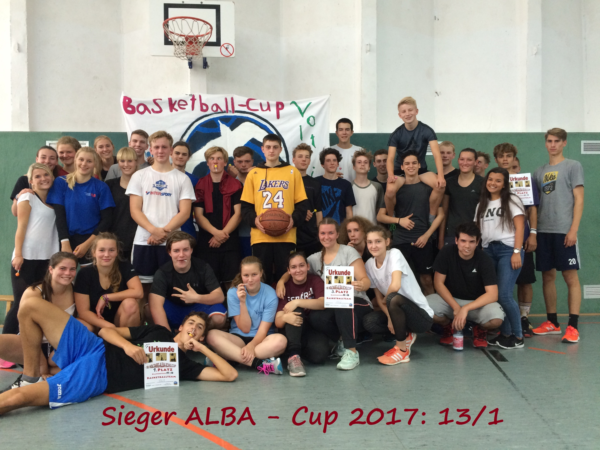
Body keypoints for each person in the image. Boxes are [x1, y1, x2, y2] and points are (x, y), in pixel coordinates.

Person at [0, 301, 237, 414]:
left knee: (16, 399)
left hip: (96, 375)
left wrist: (202, 348)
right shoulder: (158, 331)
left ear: (201, 336)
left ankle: (36, 382)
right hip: (93, 347)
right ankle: (30, 376)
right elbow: (106, 332)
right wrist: (128, 346)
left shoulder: (185, 366)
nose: (193, 328)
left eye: (199, 328)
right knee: (29, 306)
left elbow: (230, 375)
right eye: (191, 323)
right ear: (181, 327)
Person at [278, 218, 372, 370]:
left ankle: (352, 352)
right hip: (334, 304)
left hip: (358, 302)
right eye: (323, 233)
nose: (326, 237)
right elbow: (296, 268)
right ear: (318, 235)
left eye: (330, 233)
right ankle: (341, 341)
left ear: (337, 234)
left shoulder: (348, 252)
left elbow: (365, 280)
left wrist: (362, 284)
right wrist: (281, 281)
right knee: (316, 317)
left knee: (342, 302)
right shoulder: (314, 259)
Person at [532, 128, 584, 343]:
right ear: (546, 143)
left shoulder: (573, 166)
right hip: (543, 231)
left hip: (564, 231)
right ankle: (552, 322)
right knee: (547, 276)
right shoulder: (539, 172)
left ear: (564, 143)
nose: (552, 145)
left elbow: (579, 200)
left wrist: (573, 229)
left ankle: (573, 326)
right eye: (549, 141)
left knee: (570, 277)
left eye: (557, 141)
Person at [0, 253, 89, 377]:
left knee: (87, 329)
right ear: (51, 269)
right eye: (62, 268)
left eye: (72, 269)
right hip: (32, 345)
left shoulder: (76, 290)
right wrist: (41, 365)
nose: (67, 273)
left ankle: (53, 370)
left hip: (60, 346)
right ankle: (44, 369)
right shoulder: (34, 292)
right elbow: (25, 329)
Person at [126, 130, 196, 285]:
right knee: (143, 286)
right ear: (150, 149)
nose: (160, 151)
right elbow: (135, 210)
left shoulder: (183, 179)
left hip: (172, 243)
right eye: (156, 147)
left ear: (171, 150)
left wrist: (162, 233)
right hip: (144, 240)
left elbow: (185, 213)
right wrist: (153, 230)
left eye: (164, 147)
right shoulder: (139, 176)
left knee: (172, 286)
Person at [240, 134, 308, 285]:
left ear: (280, 149)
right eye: (268, 147)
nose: (271, 150)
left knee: (286, 278)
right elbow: (245, 207)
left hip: (286, 235)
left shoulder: (292, 172)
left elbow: (302, 205)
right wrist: (254, 220)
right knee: (261, 278)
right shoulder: (253, 174)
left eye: (275, 147)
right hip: (260, 236)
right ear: (262, 149)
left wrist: (293, 220)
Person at [363, 226, 434, 365]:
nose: (373, 246)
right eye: (370, 242)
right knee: (369, 322)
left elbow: (395, 286)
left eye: (378, 241)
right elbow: (379, 298)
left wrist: (389, 306)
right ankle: (406, 335)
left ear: (387, 242)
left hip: (421, 318)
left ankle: (402, 350)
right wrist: (390, 317)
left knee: (393, 298)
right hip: (396, 311)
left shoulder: (395, 254)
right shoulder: (369, 264)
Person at [427, 223, 504, 348]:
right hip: (451, 302)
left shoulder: (484, 259)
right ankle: (448, 326)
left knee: (496, 319)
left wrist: (465, 309)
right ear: (456, 240)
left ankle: (479, 329)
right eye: (463, 241)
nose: (467, 246)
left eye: (471, 241)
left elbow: (493, 294)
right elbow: (438, 283)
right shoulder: (446, 252)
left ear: (477, 242)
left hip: (476, 304)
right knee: (425, 308)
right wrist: (456, 307)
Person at [378, 151, 445, 296]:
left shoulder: (428, 188)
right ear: (402, 167)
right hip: (400, 240)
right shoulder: (396, 189)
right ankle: (403, 309)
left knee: (427, 280)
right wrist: (399, 220)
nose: (411, 166)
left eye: (414, 163)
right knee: (399, 281)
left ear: (419, 165)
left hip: (423, 240)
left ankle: (430, 309)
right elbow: (380, 217)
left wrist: (427, 235)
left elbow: (441, 215)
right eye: (407, 163)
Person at [207, 257, 287, 375]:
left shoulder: (270, 293)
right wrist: (242, 302)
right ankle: (260, 364)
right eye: (246, 275)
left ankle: (231, 358)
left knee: (281, 341)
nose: (250, 280)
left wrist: (251, 346)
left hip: (262, 341)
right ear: (241, 275)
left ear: (261, 273)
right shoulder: (233, 292)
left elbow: (263, 331)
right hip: (238, 338)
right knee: (211, 335)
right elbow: (245, 328)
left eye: (254, 274)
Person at [5, 164, 60, 338]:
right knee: (21, 302)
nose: (43, 178)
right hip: (26, 257)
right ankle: (5, 343)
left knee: (40, 302)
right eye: (37, 176)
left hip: (47, 259)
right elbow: (21, 228)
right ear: (30, 181)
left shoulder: (55, 200)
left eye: (46, 175)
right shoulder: (27, 197)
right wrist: (18, 254)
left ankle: (28, 341)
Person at [475, 168, 526, 349]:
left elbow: (520, 228)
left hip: (508, 250)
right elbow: (479, 230)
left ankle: (518, 336)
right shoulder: (482, 204)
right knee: (495, 296)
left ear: (504, 184)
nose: (493, 183)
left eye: (498, 180)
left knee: (504, 295)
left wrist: (516, 251)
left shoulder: (512, 200)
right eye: (490, 179)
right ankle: (505, 334)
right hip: (489, 251)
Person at [47, 147, 115, 265]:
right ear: (75, 160)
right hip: (65, 238)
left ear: (95, 164)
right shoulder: (61, 182)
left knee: (89, 275)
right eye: (81, 159)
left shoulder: (101, 187)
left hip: (91, 240)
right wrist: (65, 242)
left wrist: (87, 244)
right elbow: (59, 215)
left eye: (89, 161)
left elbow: (107, 219)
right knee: (65, 274)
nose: (84, 164)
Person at [149, 231, 227, 331]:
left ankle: (200, 335)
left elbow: (219, 296)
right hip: (174, 309)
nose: (181, 255)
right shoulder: (162, 272)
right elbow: (156, 305)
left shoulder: (203, 267)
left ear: (191, 250)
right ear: (169, 252)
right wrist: (167, 337)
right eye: (176, 251)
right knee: (149, 309)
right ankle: (170, 334)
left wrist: (196, 298)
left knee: (219, 318)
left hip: (197, 309)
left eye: (185, 250)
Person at [384, 96, 445, 216]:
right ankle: (392, 219)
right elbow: (390, 158)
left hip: (420, 171)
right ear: (400, 115)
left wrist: (441, 176)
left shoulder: (427, 130)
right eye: (404, 111)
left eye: (410, 110)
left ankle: (431, 217)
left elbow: (437, 155)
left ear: (416, 111)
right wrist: (390, 175)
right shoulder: (396, 134)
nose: (407, 114)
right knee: (390, 191)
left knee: (440, 186)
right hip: (400, 172)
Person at [194, 146, 243, 290]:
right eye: (212, 158)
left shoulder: (236, 184)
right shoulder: (200, 184)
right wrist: (216, 234)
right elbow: (198, 215)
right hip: (207, 241)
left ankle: (233, 306)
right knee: (209, 284)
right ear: (207, 163)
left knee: (232, 283)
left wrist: (222, 235)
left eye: (219, 158)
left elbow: (238, 214)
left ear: (225, 162)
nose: (215, 162)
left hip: (230, 240)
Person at [74, 233, 143, 331]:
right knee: (82, 325)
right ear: (94, 252)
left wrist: (106, 297)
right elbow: (83, 312)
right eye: (102, 250)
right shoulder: (85, 273)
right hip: (96, 322)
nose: (106, 255)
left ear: (117, 252)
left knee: (130, 304)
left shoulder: (124, 266)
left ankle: (126, 339)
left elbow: (138, 292)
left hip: (120, 321)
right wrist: (109, 327)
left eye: (111, 250)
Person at [274, 252, 328, 377]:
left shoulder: (315, 280)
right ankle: (293, 356)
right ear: (288, 271)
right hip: (291, 328)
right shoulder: (284, 287)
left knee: (319, 356)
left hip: (310, 328)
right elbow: (278, 321)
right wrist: (285, 317)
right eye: (293, 267)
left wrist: (297, 301)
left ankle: (295, 351)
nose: (298, 270)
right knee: (296, 311)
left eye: (301, 265)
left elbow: (323, 303)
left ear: (308, 266)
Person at [511, 156, 538, 336]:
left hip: (523, 239)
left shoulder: (525, 183)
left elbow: (532, 209)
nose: (512, 170)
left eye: (515, 166)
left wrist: (533, 233)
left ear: (519, 168)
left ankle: (523, 318)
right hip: (502, 241)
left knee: (525, 281)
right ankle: (505, 319)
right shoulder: (496, 182)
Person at [438, 148, 484, 248]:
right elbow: (444, 212)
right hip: (452, 234)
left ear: (476, 162)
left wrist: (480, 238)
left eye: (469, 160)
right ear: (458, 160)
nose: (465, 163)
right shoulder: (449, 182)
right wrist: (441, 239)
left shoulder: (482, 183)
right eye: (462, 159)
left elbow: (483, 213)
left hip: (473, 235)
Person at [105, 147, 139, 261]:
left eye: (130, 161)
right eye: (122, 161)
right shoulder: (109, 185)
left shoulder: (145, 185)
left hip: (138, 239)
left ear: (136, 162)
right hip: (115, 239)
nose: (126, 164)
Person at [10, 146, 63, 217]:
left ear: (56, 161)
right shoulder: (24, 180)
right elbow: (15, 213)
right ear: (37, 159)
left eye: (52, 158)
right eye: (43, 157)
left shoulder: (60, 181)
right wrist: (18, 197)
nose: (47, 161)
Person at [292, 144, 323, 257]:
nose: (304, 159)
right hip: (291, 234)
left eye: (307, 157)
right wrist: (300, 213)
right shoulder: (286, 182)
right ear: (293, 160)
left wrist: (320, 232)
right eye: (300, 156)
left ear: (310, 161)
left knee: (313, 266)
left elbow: (318, 210)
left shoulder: (315, 183)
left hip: (311, 236)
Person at [316, 148, 356, 224]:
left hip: (340, 228)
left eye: (334, 160)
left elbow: (349, 212)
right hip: (321, 228)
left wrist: (347, 228)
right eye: (328, 161)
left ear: (338, 164)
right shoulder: (315, 182)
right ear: (322, 164)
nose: (332, 163)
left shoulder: (346, 184)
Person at [171, 141, 199, 238]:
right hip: (164, 230)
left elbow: (199, 210)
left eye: (184, 154)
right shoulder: (159, 177)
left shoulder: (195, 180)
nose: (180, 156)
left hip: (187, 231)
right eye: (177, 153)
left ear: (188, 157)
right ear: (171, 154)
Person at [231, 146, 255, 258]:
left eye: (247, 161)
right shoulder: (229, 181)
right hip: (234, 233)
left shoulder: (260, 179)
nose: (244, 165)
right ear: (234, 162)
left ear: (252, 162)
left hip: (255, 231)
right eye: (240, 162)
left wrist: (254, 175)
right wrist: (233, 177)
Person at [351, 149, 385, 225]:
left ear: (369, 167)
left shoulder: (377, 186)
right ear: (354, 167)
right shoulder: (348, 187)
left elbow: (380, 212)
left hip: (372, 228)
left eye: (365, 162)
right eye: (359, 162)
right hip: (354, 229)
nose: (362, 164)